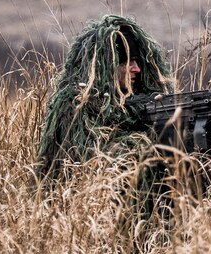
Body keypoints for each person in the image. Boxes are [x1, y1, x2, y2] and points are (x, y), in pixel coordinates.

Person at [35, 14, 174, 182]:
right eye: (126, 63)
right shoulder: (76, 105)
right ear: (104, 68)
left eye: (137, 62)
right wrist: (152, 141)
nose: (136, 69)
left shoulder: (148, 101)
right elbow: (94, 161)